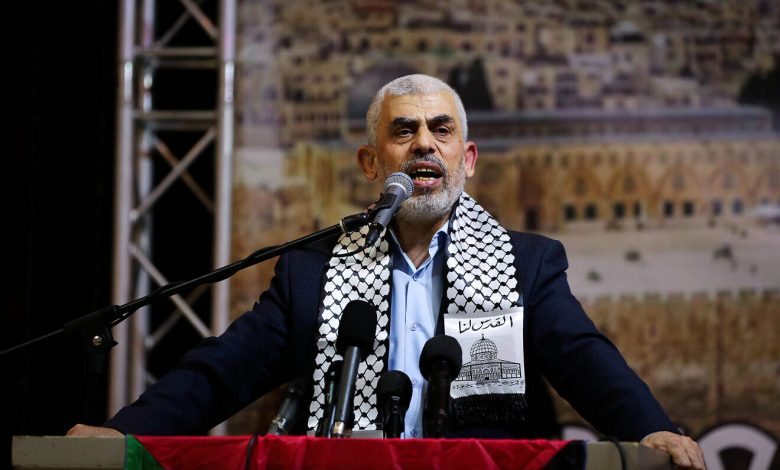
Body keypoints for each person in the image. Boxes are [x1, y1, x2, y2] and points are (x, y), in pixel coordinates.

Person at [68, 74, 705, 468]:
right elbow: (220, 371)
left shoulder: (526, 263)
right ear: (372, 163)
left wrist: (650, 429)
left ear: (467, 158)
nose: (424, 143)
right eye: (404, 131)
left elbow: (584, 358)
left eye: (441, 130)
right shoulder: (313, 272)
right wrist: (122, 436)